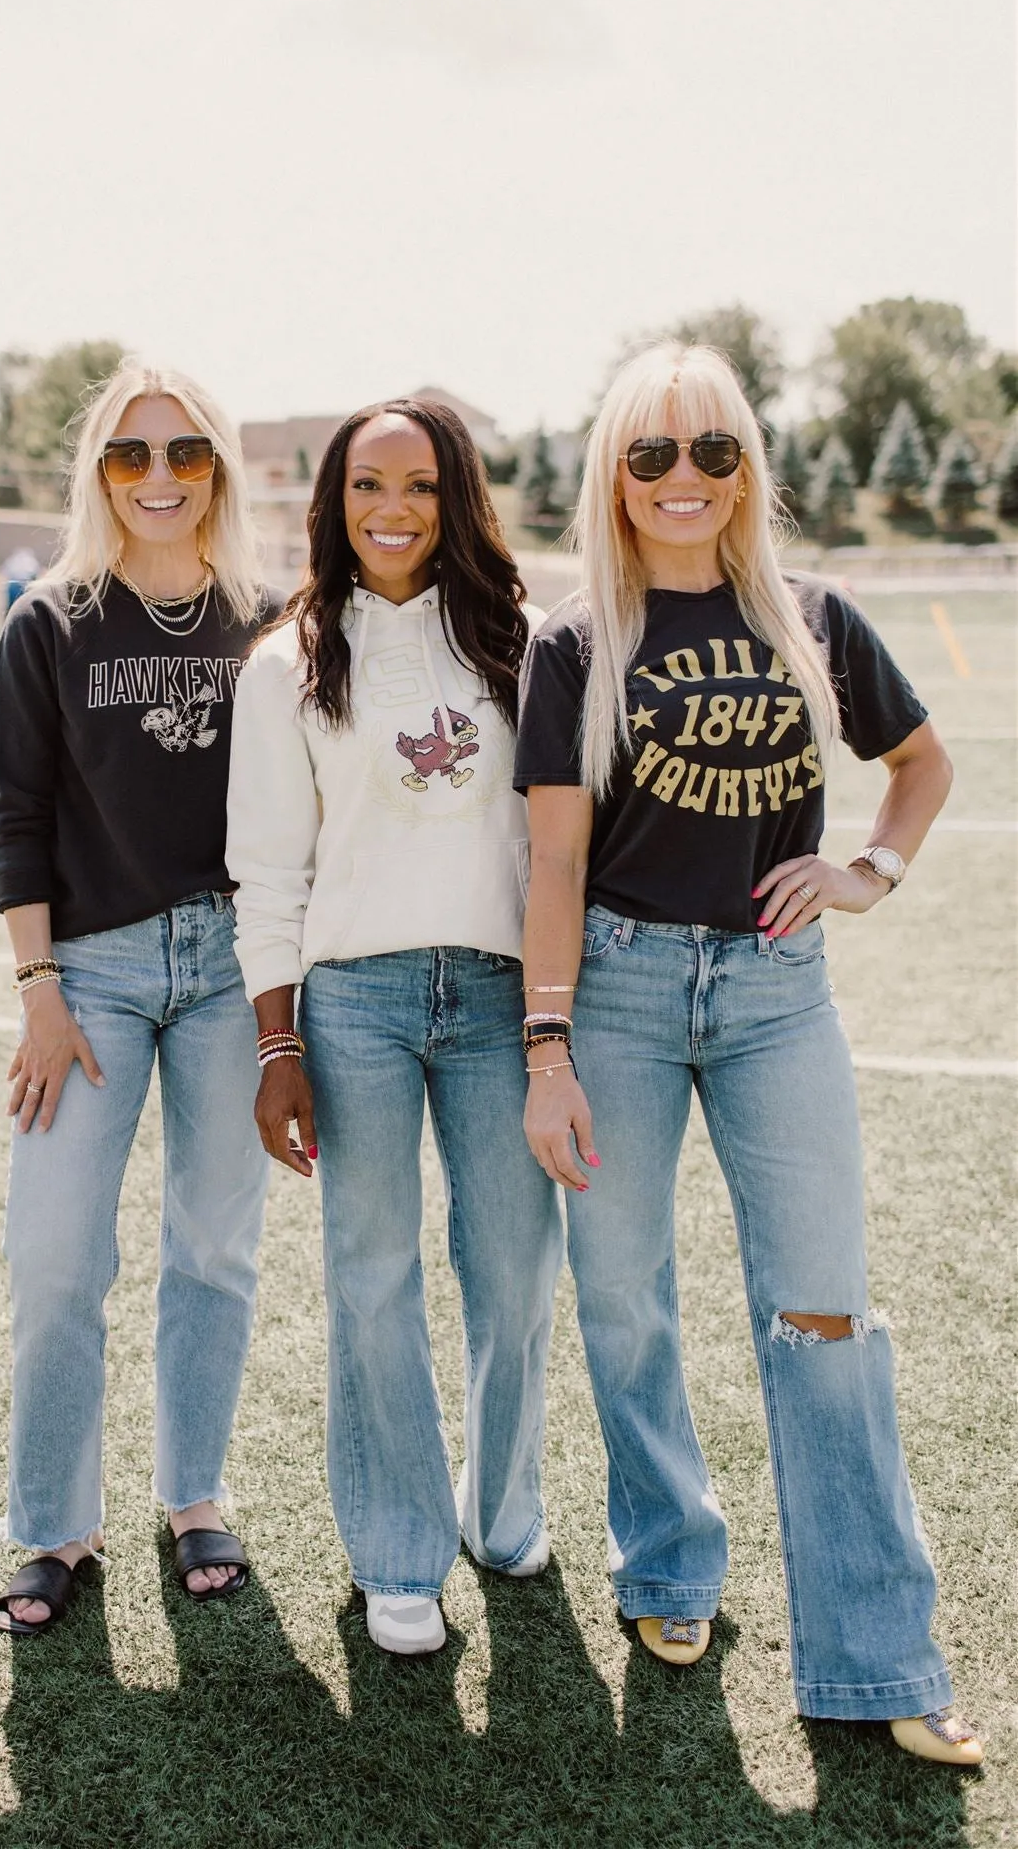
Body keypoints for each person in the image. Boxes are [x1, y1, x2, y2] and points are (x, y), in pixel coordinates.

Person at [514, 341, 983, 1764]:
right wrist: (547, 1047)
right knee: (624, 1299)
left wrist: (868, 874)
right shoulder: (574, 643)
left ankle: (878, 1658)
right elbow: (549, 860)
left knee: (824, 1315)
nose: (682, 479)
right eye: (650, 454)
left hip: (780, 993)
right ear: (614, 472)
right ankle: (669, 1567)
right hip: (623, 993)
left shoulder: (814, 618)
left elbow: (922, 765)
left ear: (746, 468)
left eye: (712, 451)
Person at [226, 397, 564, 1657]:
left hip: (496, 994)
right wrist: (276, 1045)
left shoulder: (521, 644)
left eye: (419, 485)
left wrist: (553, 1018)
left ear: (454, 496)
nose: (393, 510)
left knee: (517, 1270)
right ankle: (396, 1551)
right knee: (372, 1280)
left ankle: (505, 1502)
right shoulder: (289, 661)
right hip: (353, 1002)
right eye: (369, 486)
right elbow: (263, 869)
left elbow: (556, 840)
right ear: (333, 500)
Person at [0, 359, 283, 1634]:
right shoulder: (51, 619)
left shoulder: (268, 618)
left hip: (230, 966)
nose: (159, 478)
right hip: (90, 974)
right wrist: (40, 986)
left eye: (186, 453)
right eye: (130, 455)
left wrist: (284, 991)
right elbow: (16, 814)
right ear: (98, 473)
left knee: (213, 1247)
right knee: (55, 1257)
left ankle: (193, 1492)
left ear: (218, 468)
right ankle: (54, 1522)